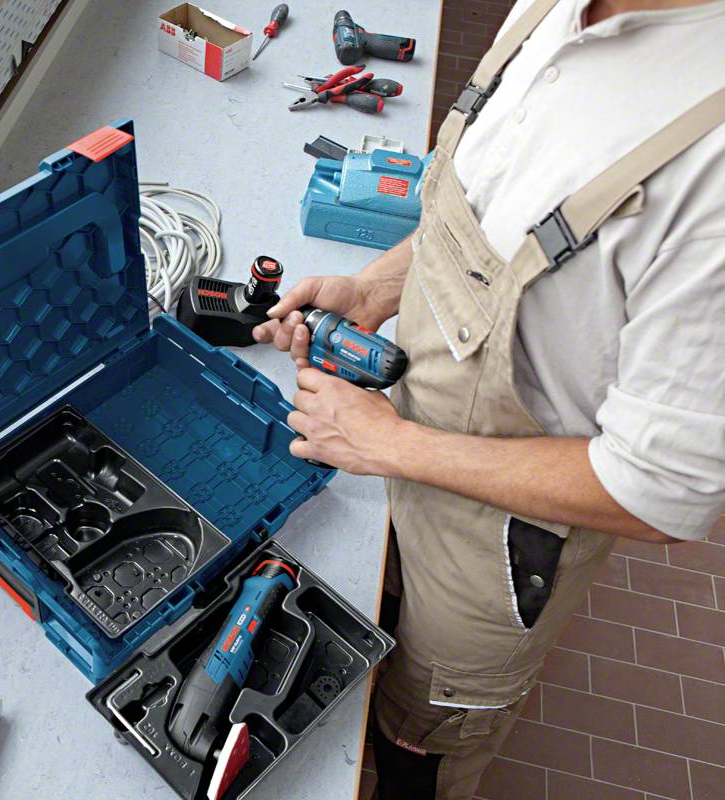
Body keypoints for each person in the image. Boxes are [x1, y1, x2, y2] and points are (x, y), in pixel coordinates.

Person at [253, 0, 725, 797]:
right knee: (380, 617)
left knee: (417, 736)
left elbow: (659, 492)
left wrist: (390, 446)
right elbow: (481, 211)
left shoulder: (710, 160)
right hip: (405, 438)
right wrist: (374, 289)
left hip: (494, 551)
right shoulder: (554, 10)